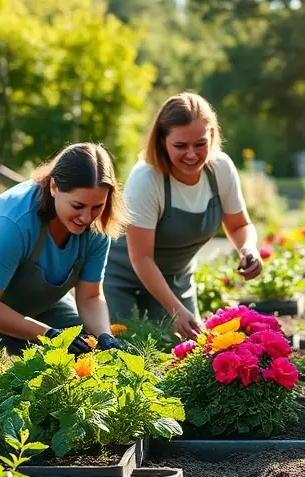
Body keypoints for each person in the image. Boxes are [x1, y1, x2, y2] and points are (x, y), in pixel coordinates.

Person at [0, 143, 127, 394]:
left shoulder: (96, 227)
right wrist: (49, 335)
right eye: (78, 206)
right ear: (54, 187)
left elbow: (90, 296)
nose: (86, 218)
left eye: (96, 207)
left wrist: (105, 336)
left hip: (29, 299)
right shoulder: (14, 219)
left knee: (87, 352)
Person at [103, 92, 263, 339]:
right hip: (123, 278)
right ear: (162, 142)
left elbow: (239, 224)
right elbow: (142, 258)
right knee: (123, 352)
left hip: (176, 278)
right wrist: (176, 309)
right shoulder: (146, 178)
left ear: (212, 137)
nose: (191, 154)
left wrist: (247, 249)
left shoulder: (220, 169)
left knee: (182, 356)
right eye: (180, 146)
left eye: (200, 144)